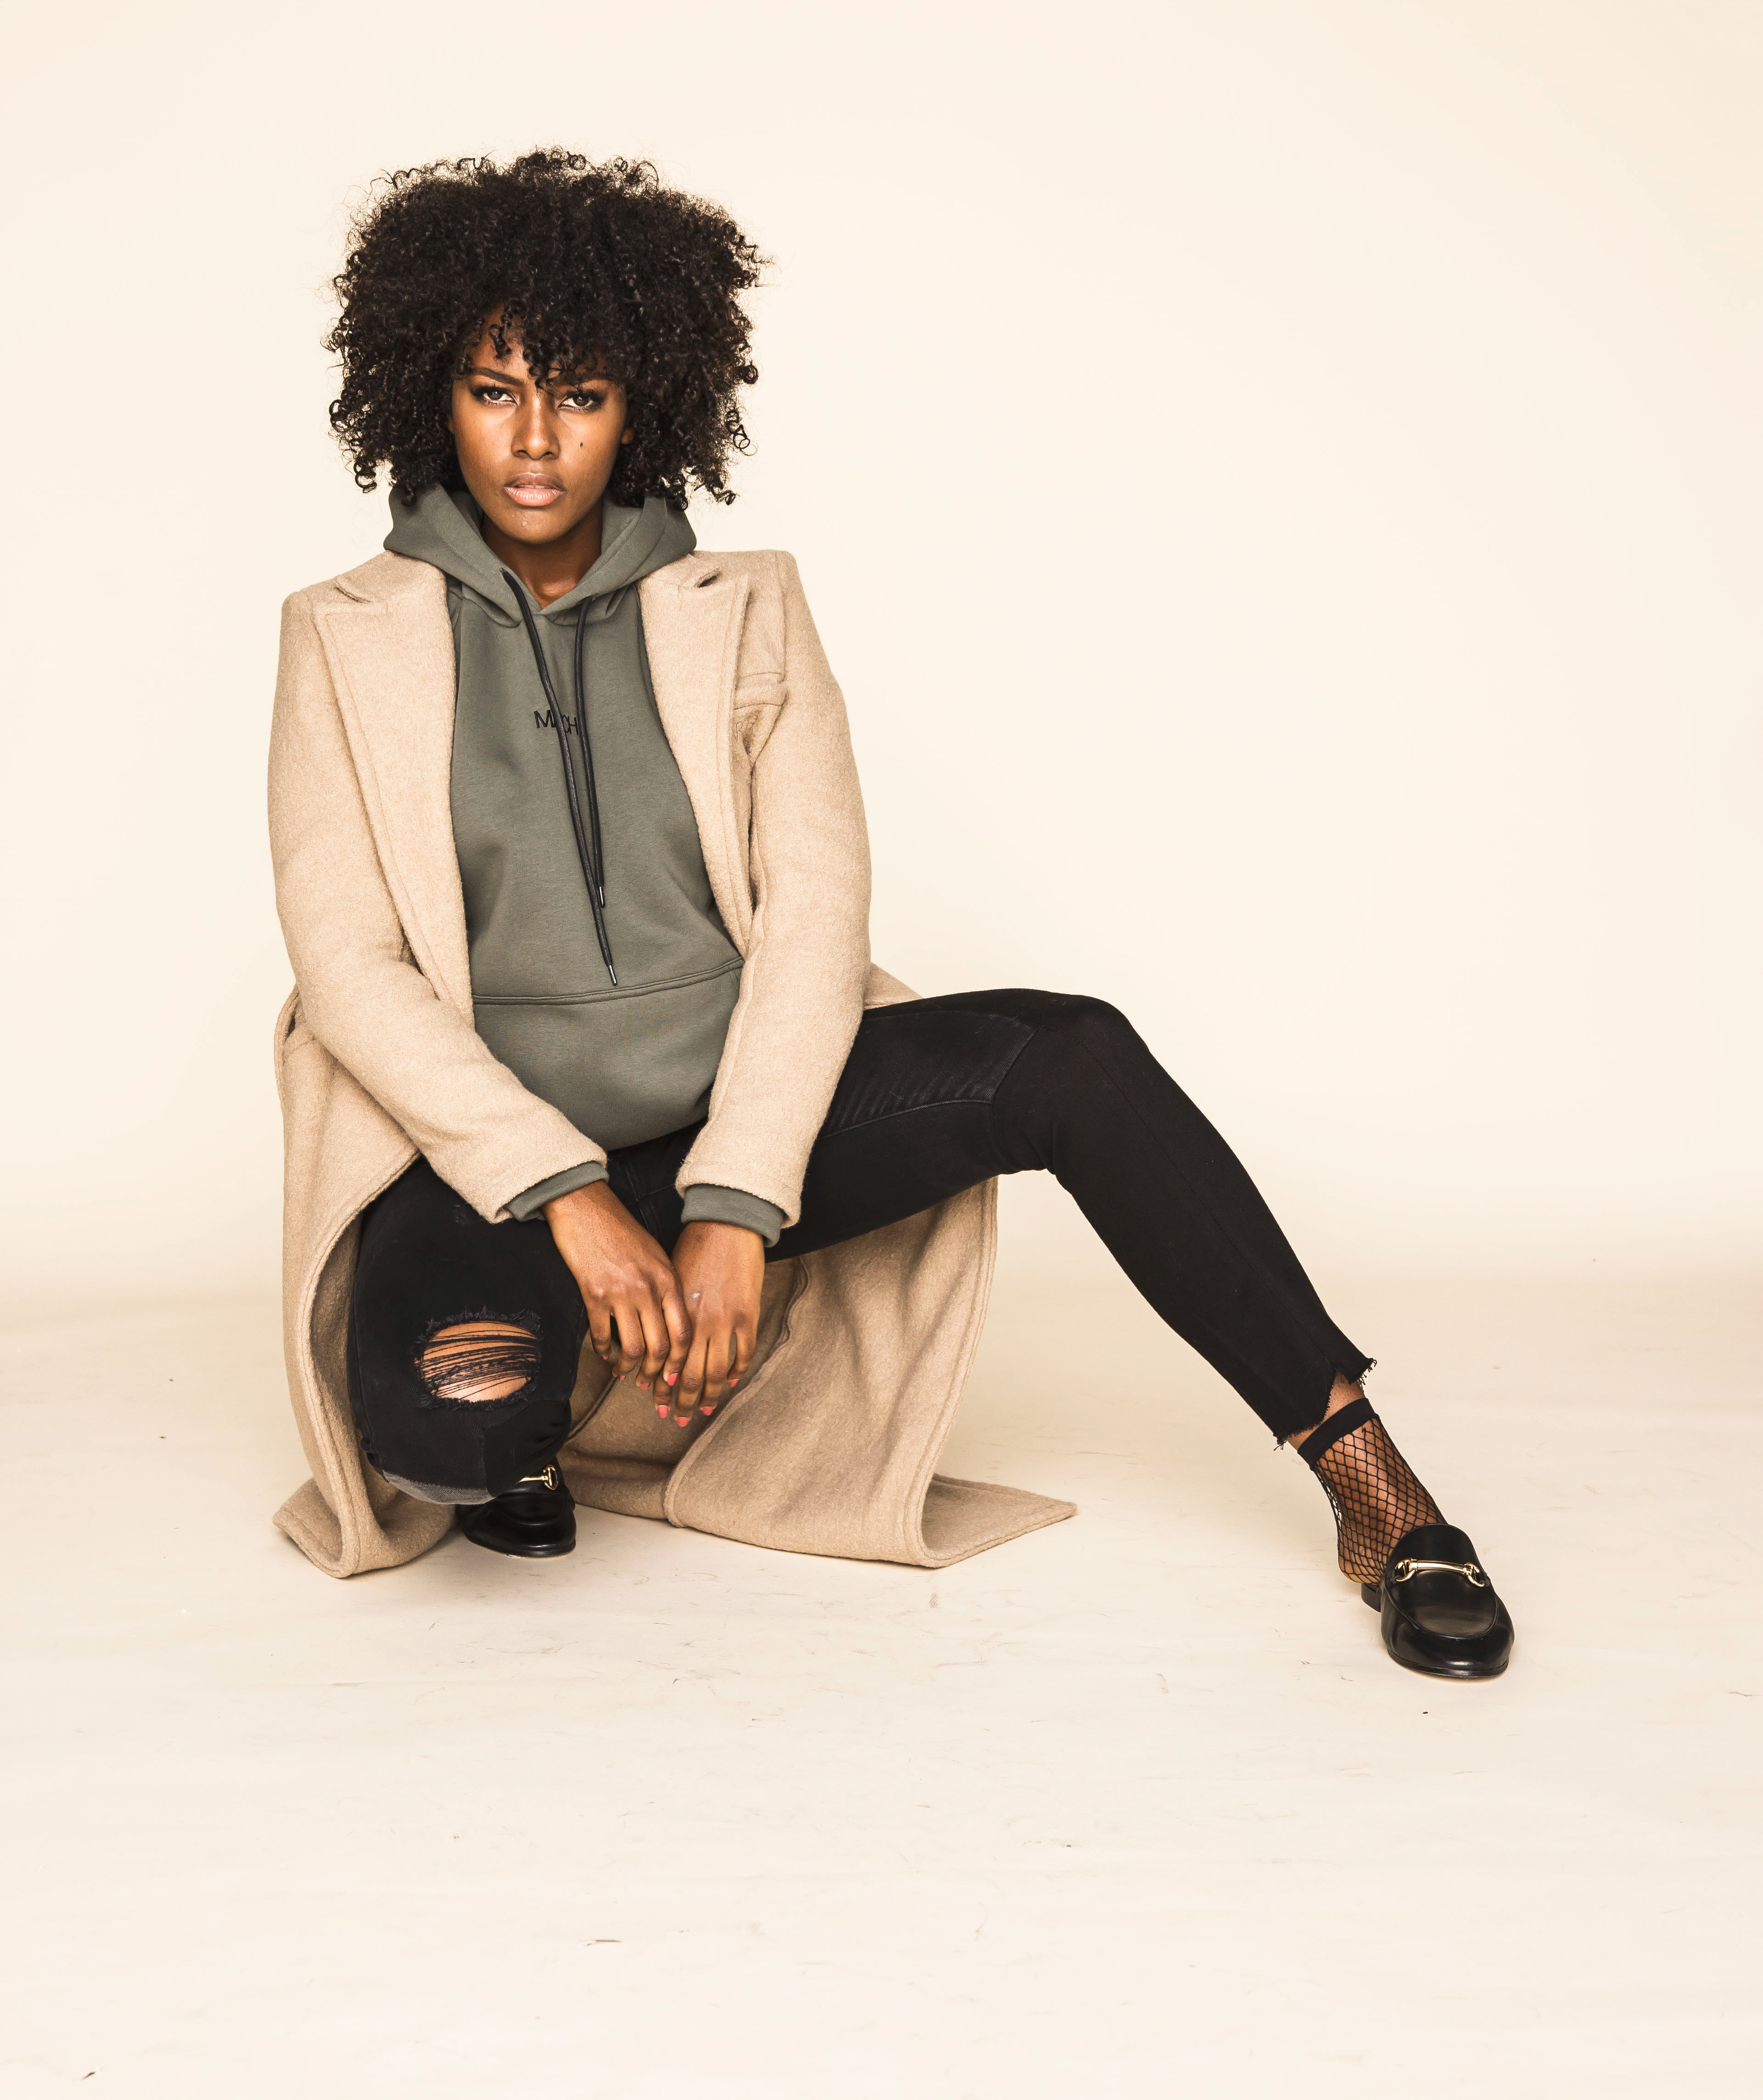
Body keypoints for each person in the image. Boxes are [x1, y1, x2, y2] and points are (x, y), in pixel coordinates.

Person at [268, 148, 1511, 1682]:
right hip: (492, 1172)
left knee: (1074, 1056)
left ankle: (1383, 1498)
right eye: (494, 391)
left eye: (578, 395)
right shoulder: (341, 634)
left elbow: (816, 911)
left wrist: (735, 1208)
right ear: (431, 394)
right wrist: (570, 1200)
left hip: (741, 1124)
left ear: (643, 403)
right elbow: (350, 967)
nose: (535, 441)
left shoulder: (746, 604)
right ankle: (552, 1408)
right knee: (453, 1433)